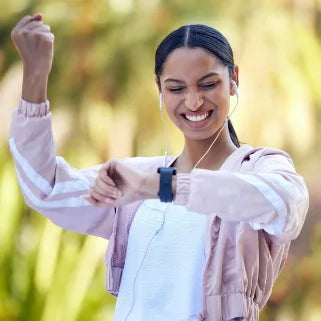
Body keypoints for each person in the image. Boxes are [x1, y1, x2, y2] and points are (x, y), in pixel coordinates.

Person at [9, 14, 309, 321]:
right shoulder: (136, 181)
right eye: (176, 88)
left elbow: (287, 205)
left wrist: (161, 185)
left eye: (208, 84)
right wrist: (35, 73)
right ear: (159, 88)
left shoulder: (256, 168)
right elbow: (45, 189)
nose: (193, 102)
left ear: (234, 80)